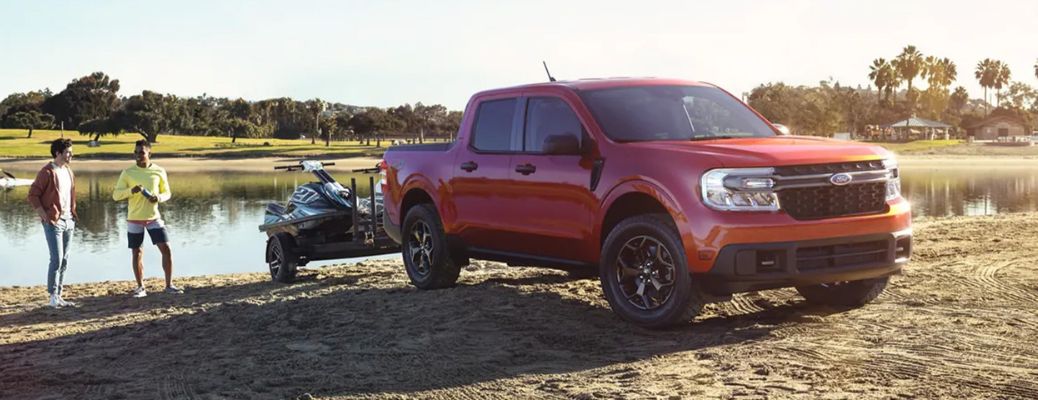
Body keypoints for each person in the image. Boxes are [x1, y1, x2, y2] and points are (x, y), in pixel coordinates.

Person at [112, 140, 181, 297]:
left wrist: (157, 198)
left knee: (166, 249)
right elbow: (116, 195)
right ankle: (140, 287)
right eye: (136, 152)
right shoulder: (128, 173)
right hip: (134, 218)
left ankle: (169, 285)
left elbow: (167, 193)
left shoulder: (159, 171)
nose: (138, 155)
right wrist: (131, 190)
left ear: (149, 154)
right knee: (137, 252)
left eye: (141, 152)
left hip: (153, 218)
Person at [27, 139, 78, 308]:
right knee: (56, 259)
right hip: (54, 221)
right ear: (58, 153)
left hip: (69, 220)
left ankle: (60, 295)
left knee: (65, 260)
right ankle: (53, 295)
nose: (71, 154)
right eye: (68, 152)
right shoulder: (47, 172)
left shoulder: (69, 171)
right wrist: (45, 216)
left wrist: (72, 214)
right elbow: (33, 195)